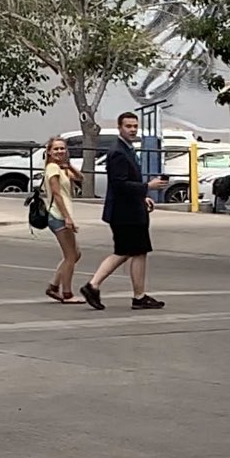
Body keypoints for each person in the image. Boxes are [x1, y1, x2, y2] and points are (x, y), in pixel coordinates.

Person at [81, 113, 168, 311]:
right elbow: (119, 184)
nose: (132, 130)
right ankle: (97, 286)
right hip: (125, 213)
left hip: (130, 209)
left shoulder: (126, 149)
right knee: (129, 251)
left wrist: (142, 196)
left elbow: (127, 183)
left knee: (133, 251)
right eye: (128, 126)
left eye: (135, 126)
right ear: (119, 128)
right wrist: (147, 186)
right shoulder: (118, 152)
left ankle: (133, 294)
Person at [43, 136, 84, 304]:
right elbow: (57, 194)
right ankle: (67, 293)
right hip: (58, 216)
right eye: (56, 149)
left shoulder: (61, 168)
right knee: (70, 256)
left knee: (75, 254)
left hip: (62, 215)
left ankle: (53, 286)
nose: (60, 151)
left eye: (62, 148)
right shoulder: (52, 168)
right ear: (49, 152)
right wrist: (67, 217)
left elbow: (80, 178)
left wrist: (69, 165)